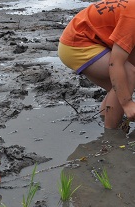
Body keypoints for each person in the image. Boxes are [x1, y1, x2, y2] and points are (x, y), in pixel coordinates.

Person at [58, 0, 135, 130]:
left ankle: (106, 119)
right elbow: (116, 63)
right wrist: (127, 103)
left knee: (119, 88)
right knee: (127, 76)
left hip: (87, 40)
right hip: (76, 44)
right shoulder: (132, 17)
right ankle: (111, 138)